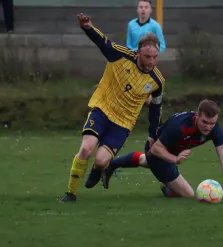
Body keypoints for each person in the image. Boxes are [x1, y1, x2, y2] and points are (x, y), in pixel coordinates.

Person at [60, 13, 165, 203]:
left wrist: (152, 134)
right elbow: (103, 43)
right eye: (148, 56)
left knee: (100, 160)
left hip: (123, 124)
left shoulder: (157, 80)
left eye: (155, 57)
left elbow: (156, 108)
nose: (152, 61)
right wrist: (88, 27)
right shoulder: (121, 55)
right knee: (86, 149)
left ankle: (97, 170)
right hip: (102, 110)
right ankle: (70, 193)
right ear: (138, 52)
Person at [101, 100, 223, 199]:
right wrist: (175, 160)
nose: (208, 127)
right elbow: (157, 149)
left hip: (169, 151)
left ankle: (112, 165)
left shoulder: (216, 130)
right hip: (157, 151)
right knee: (189, 195)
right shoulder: (180, 126)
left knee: (145, 161)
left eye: (212, 123)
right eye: (205, 122)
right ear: (197, 116)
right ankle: (166, 186)